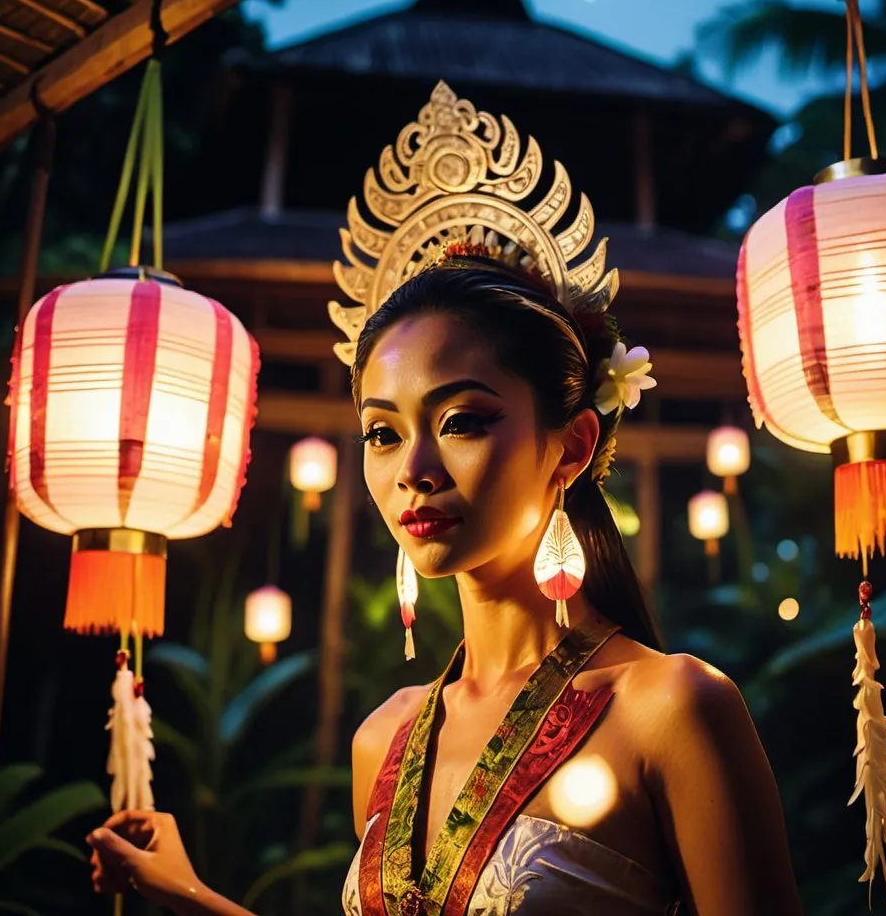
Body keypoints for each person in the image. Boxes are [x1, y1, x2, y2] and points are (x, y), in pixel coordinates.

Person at [89, 83, 803, 915]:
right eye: (383, 433)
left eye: (462, 420)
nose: (413, 469)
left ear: (568, 446)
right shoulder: (383, 736)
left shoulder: (672, 708)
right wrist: (184, 895)